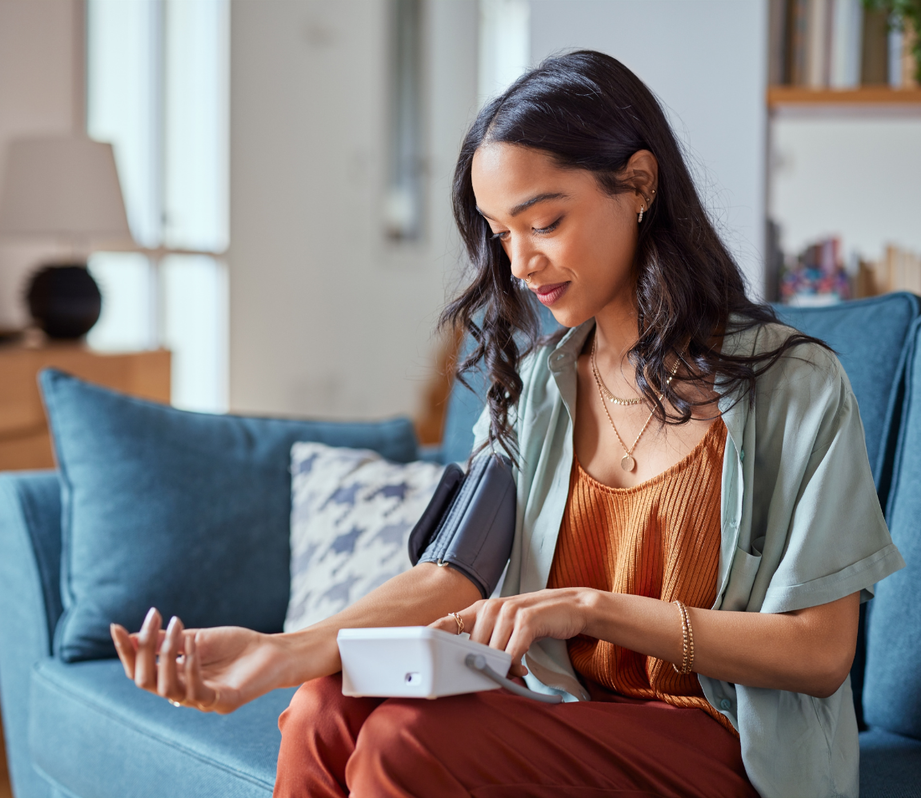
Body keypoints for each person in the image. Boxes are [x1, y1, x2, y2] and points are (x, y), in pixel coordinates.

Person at [109, 50, 904, 798]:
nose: (519, 263)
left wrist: (587, 607)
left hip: (725, 739)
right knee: (324, 706)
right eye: (500, 233)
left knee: (403, 742)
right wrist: (279, 655)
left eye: (544, 221)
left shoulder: (796, 384)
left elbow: (820, 653)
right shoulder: (538, 386)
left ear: (637, 185)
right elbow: (453, 575)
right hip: (568, 712)